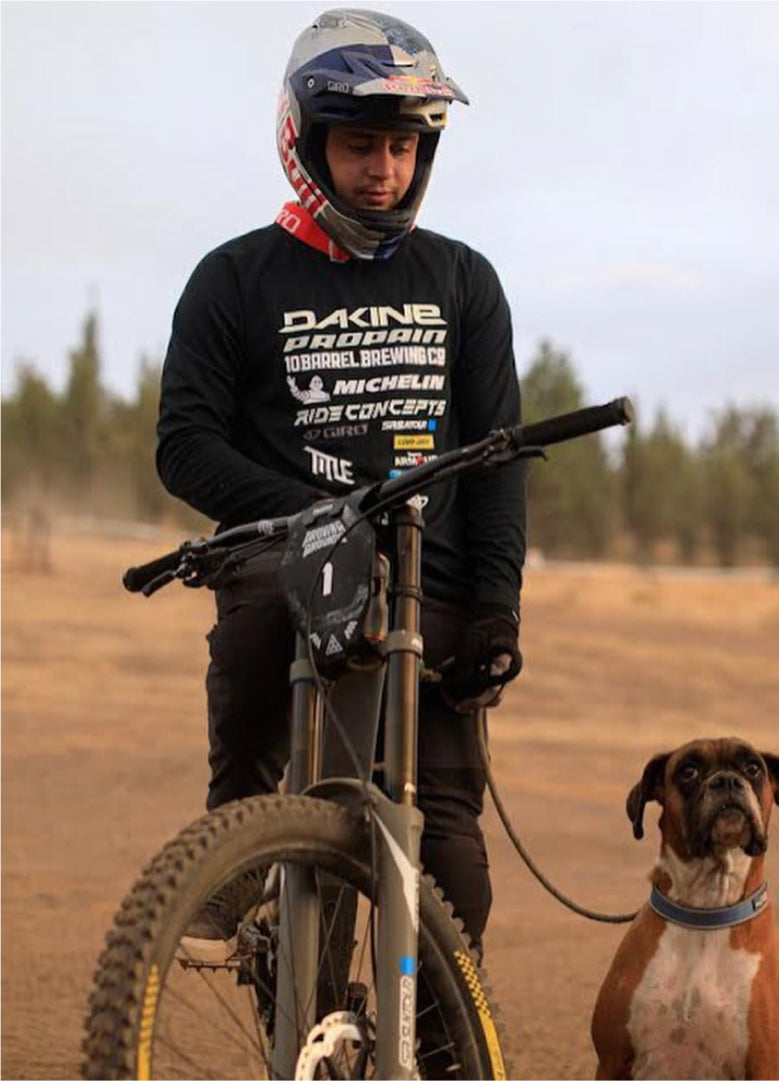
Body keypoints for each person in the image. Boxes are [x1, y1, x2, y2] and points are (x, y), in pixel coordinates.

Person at [156, 8, 526, 952]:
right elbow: (185, 446)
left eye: (403, 147)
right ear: (307, 142)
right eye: (361, 145)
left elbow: (498, 462)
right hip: (288, 573)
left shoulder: (465, 282)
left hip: (432, 591)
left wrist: (498, 608)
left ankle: (437, 1034)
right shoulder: (232, 279)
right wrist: (323, 514)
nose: (384, 170)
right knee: (287, 840)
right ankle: (237, 850)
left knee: (456, 880)